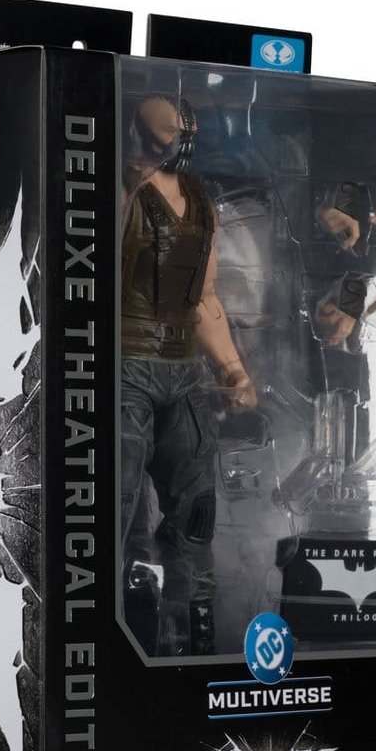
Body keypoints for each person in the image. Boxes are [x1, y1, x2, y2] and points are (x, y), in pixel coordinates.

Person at [119, 95, 257, 656]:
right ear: (144, 132)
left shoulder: (199, 201)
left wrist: (232, 367)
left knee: (195, 522)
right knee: (119, 516)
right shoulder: (120, 191)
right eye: (170, 131)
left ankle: (194, 648)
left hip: (183, 371)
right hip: (123, 368)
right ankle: (122, 640)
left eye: (185, 130)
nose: (181, 139)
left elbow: (203, 296)